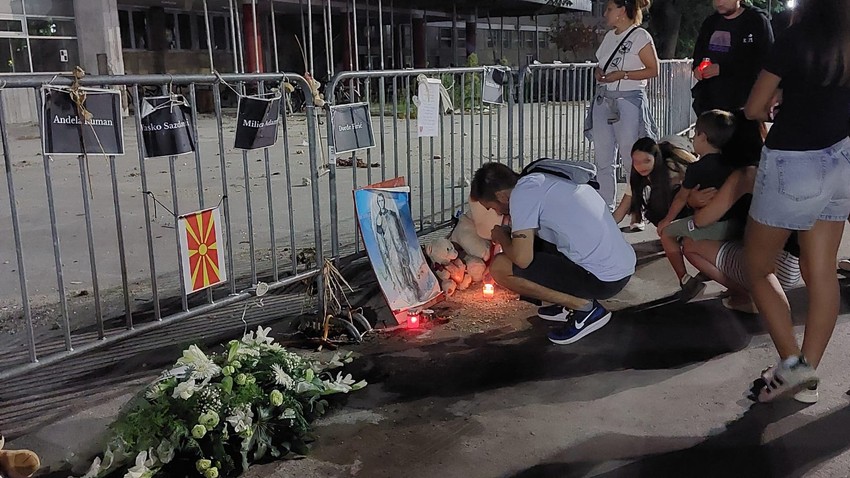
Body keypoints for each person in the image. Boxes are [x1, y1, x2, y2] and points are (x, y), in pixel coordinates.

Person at [743, 0, 850, 403]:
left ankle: (794, 366)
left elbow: (754, 108)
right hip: (842, 159)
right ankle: (807, 372)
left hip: (795, 163)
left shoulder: (796, 37)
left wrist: (781, 96)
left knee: (757, 267)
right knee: (821, 270)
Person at [470, 162, 636, 345]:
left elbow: (523, 260)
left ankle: (584, 308)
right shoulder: (538, 178)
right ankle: (568, 302)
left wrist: (502, 237)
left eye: (492, 207)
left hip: (603, 280)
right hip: (619, 267)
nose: (497, 212)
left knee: (500, 267)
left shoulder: (521, 195)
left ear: (501, 196)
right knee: (529, 245)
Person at [656, 109, 738, 300]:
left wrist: (667, 220)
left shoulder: (697, 168)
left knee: (667, 234)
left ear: (702, 137)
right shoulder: (733, 164)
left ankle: (685, 280)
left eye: (694, 134)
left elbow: (681, 198)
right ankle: (736, 286)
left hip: (712, 225)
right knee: (690, 243)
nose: (692, 139)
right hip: (735, 224)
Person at [587, 0, 659, 215]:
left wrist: (624, 75)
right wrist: (598, 72)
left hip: (628, 101)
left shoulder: (640, 36)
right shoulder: (610, 36)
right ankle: (606, 207)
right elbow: (601, 64)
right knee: (603, 158)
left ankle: (637, 209)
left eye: (609, 9)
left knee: (631, 158)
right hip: (604, 99)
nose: (605, 14)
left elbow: (653, 69)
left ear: (622, 11)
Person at [691, 0, 774, 115]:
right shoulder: (710, 22)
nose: (719, 2)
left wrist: (723, 69)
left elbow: (766, 61)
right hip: (710, 102)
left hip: (743, 102)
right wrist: (697, 67)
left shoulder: (756, 21)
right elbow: (699, 51)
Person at [612, 136, 696, 229]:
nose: (641, 166)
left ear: (655, 158)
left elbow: (686, 194)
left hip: (691, 197)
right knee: (656, 210)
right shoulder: (636, 176)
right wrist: (605, 225)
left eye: (646, 161)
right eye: (636, 162)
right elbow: (622, 210)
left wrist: (667, 220)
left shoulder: (672, 169)